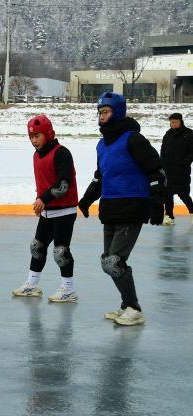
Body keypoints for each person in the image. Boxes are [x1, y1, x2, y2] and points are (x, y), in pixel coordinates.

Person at [77, 92, 166, 326]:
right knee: (109, 262)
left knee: (114, 261)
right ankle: (127, 305)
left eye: (105, 112)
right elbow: (100, 178)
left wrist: (158, 205)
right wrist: (86, 200)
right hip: (111, 208)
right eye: (99, 112)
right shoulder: (101, 145)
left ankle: (134, 309)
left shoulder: (133, 139)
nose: (101, 117)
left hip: (133, 206)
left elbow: (156, 172)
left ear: (116, 112)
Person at [12, 115, 79, 302]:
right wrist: (39, 200)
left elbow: (63, 184)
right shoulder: (36, 155)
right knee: (37, 247)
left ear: (48, 134)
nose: (33, 141)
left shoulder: (61, 153)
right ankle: (32, 285)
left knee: (60, 251)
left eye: (37, 136)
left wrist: (44, 198)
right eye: (31, 137)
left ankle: (68, 290)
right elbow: (45, 183)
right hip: (48, 211)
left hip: (65, 211)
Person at [160, 113, 193, 225]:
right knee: (167, 194)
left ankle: (192, 212)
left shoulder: (189, 134)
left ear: (180, 121)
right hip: (168, 170)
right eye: (172, 122)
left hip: (181, 170)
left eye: (175, 122)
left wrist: (185, 162)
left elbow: (192, 152)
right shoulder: (168, 134)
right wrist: (162, 163)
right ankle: (169, 216)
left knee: (183, 194)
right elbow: (163, 150)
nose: (173, 124)